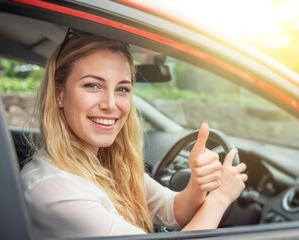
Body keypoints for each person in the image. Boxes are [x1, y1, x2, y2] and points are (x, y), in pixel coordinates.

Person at [20, 29, 247, 238]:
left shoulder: (107, 161)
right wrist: (220, 197)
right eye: (92, 85)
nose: (110, 104)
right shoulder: (53, 188)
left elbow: (171, 210)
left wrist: (198, 185)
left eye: (122, 89)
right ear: (59, 94)